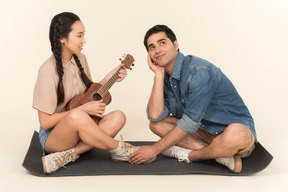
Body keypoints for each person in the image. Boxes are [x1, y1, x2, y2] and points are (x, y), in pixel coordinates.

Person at [32, 12, 155, 174]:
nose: (84, 41)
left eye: (84, 35)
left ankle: (70, 154)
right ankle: (119, 149)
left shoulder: (80, 58)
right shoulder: (47, 71)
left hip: (82, 126)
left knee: (118, 116)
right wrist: (81, 111)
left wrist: (112, 76)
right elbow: (46, 122)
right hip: (55, 137)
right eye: (79, 36)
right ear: (62, 38)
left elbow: (88, 95)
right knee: (77, 116)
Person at [129, 25, 257, 173]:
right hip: (203, 132)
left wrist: (155, 149)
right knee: (156, 125)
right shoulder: (165, 76)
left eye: (162, 43)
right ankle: (217, 154)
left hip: (231, 133)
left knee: (237, 135)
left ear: (175, 45)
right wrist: (158, 75)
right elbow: (155, 115)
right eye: (152, 47)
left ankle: (194, 155)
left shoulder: (199, 72)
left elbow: (189, 122)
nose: (157, 50)